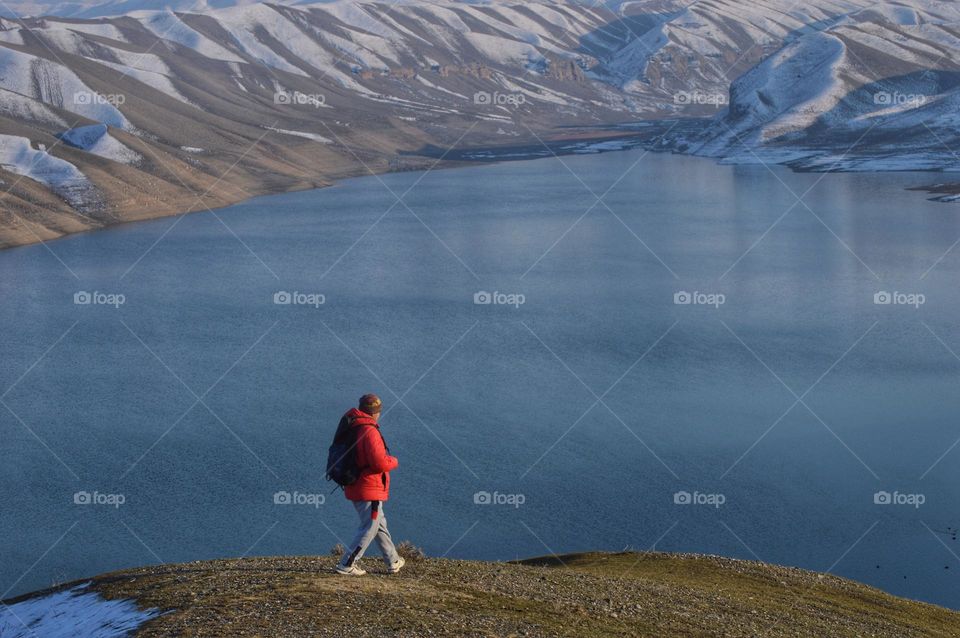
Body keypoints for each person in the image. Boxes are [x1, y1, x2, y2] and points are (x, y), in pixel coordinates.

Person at [335, 393, 405, 576]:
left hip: (356, 483)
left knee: (378, 523)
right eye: (377, 411)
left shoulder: (354, 425)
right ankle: (347, 563)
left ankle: (393, 560)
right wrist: (394, 461)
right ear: (376, 412)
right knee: (370, 525)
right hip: (368, 487)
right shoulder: (369, 431)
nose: (378, 414)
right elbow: (379, 463)